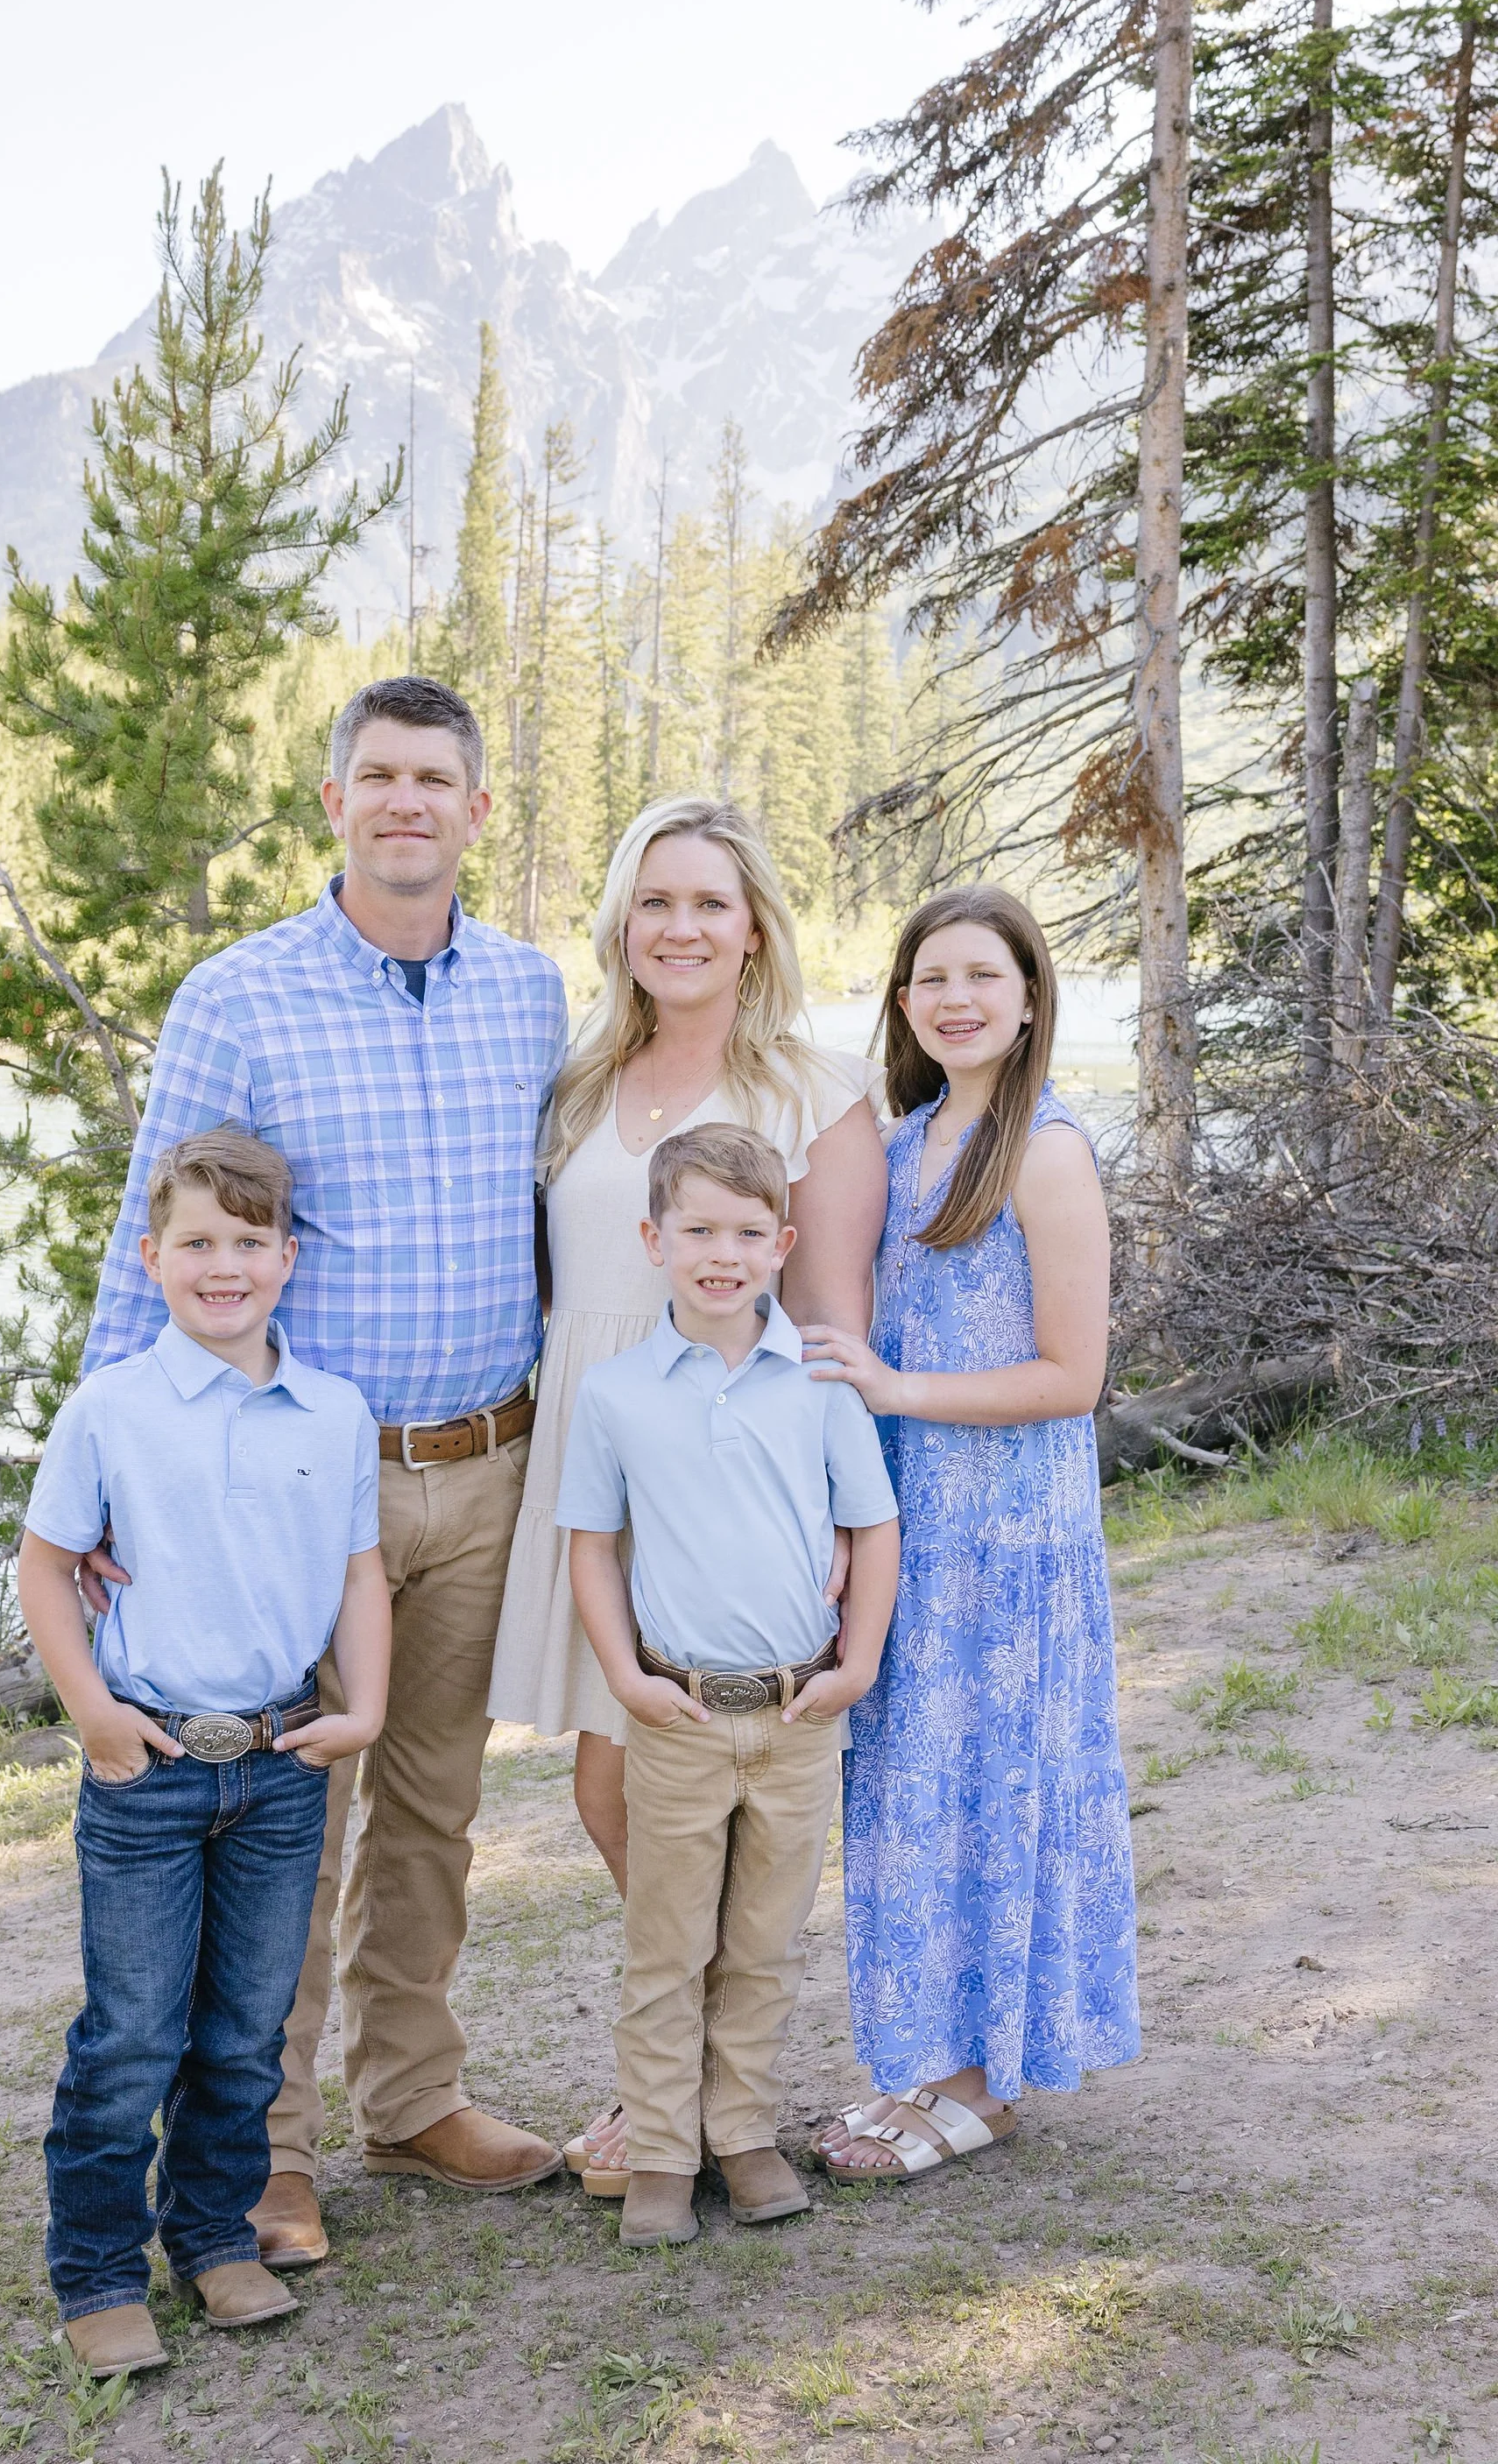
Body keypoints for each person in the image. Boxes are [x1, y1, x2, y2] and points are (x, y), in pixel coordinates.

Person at [79, 674, 569, 2270]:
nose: (406, 801)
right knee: (287, 1809)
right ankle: (259, 2148)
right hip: (300, 1489)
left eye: (436, 775)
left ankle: (412, 2094)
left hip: (484, 1459)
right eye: (378, 775)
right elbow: (143, 1239)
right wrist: (101, 1478)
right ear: (335, 802)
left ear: (478, 807)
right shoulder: (241, 993)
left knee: (432, 1804)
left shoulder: (528, 991)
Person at [485, 795, 888, 2182]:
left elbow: (831, 1317)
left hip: (750, 1462)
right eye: (656, 901)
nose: (682, 926)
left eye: (710, 901)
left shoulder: (814, 1093)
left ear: (755, 924)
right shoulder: (580, 1086)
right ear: (620, 924)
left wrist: (842, 1513)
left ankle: (706, 2096)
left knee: (723, 1786)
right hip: (608, 1437)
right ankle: (691, 2083)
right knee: (615, 1783)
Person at [18, 1129, 392, 2376]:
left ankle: (216, 2239)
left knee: (244, 2029)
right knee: (132, 2033)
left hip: (281, 1762)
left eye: (247, 1243)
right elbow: (46, 1568)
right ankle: (98, 2275)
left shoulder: (333, 1410)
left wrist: (368, 1707)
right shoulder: (112, 1407)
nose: (222, 1266)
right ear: (152, 1257)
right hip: (149, 1765)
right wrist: (94, 1715)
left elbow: (358, 1573)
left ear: (288, 1260)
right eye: (197, 1244)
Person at [799, 887, 1140, 2183]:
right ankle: (918, 2057)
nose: (955, 999)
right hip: (905, 1520)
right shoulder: (893, 1149)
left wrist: (901, 1393)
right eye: (930, 979)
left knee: (994, 1784)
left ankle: (984, 2079)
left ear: (1030, 998)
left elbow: (1073, 1374)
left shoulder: (1046, 1149)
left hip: (1012, 1527)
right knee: (904, 1785)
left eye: (981, 978)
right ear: (901, 1004)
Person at [559, 1122, 900, 2245]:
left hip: (798, 1712)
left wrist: (855, 1661)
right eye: (697, 1229)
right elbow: (592, 1549)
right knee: (668, 1944)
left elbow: (872, 1524)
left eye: (748, 1232)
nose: (722, 1253)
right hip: (680, 1712)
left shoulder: (815, 1382)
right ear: (653, 1239)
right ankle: (660, 2150)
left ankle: (741, 2133)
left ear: (782, 1242)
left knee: (762, 1940)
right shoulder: (613, 1395)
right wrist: (623, 1676)